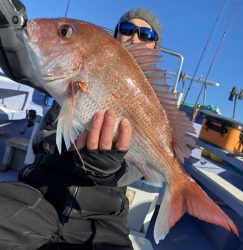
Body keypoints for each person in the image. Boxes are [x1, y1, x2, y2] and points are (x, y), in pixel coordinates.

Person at [0, 3, 163, 250]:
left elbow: (142, 165)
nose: (135, 37)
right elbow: (23, 66)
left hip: (102, 211)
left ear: (155, 46)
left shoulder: (154, 105)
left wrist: (107, 170)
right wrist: (7, 25)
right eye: (128, 28)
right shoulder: (67, 75)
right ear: (116, 34)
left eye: (146, 34)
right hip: (43, 192)